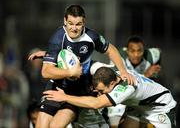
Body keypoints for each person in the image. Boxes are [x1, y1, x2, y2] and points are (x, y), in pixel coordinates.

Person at [33, 4, 134, 128]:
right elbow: (46, 71)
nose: (74, 28)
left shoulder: (92, 36)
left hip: (79, 90)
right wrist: (70, 72)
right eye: (70, 23)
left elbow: (111, 50)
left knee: (55, 126)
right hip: (56, 86)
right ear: (65, 20)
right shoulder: (58, 38)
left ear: (84, 22)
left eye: (78, 24)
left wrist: (123, 70)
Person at [43, 62, 177, 128]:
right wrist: (52, 58)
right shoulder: (108, 69)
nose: (99, 94)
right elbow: (84, 62)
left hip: (162, 107)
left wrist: (64, 97)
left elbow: (96, 104)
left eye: (102, 91)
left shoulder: (126, 88)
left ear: (113, 83)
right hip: (138, 106)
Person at [107, 35, 163, 127]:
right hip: (121, 93)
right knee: (114, 125)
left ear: (144, 50)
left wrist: (155, 73)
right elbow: (119, 84)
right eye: (132, 51)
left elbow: (159, 52)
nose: (136, 55)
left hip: (140, 95)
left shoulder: (152, 55)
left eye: (139, 51)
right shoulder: (118, 58)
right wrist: (146, 75)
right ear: (127, 50)